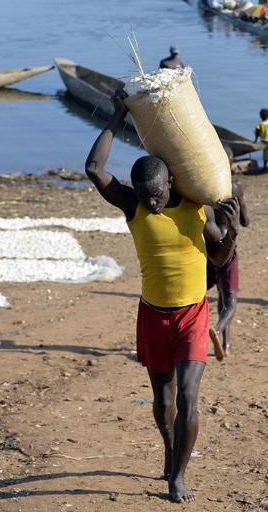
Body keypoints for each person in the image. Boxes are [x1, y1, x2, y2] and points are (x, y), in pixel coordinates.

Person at [84, 94, 240, 504]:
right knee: (163, 399)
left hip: (192, 315)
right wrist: (119, 112)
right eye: (145, 196)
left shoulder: (193, 210)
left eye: (156, 195)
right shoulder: (133, 207)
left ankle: (178, 477)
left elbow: (220, 257)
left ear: (169, 184)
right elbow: (93, 168)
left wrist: (232, 233)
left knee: (189, 396)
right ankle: (170, 451)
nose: (152, 204)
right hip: (152, 316)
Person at [207, 144, 250, 360]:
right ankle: (219, 331)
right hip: (229, 247)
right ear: (232, 163)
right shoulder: (236, 186)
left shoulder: (206, 187)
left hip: (210, 248)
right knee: (230, 301)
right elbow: (245, 220)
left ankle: (226, 344)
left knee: (219, 297)